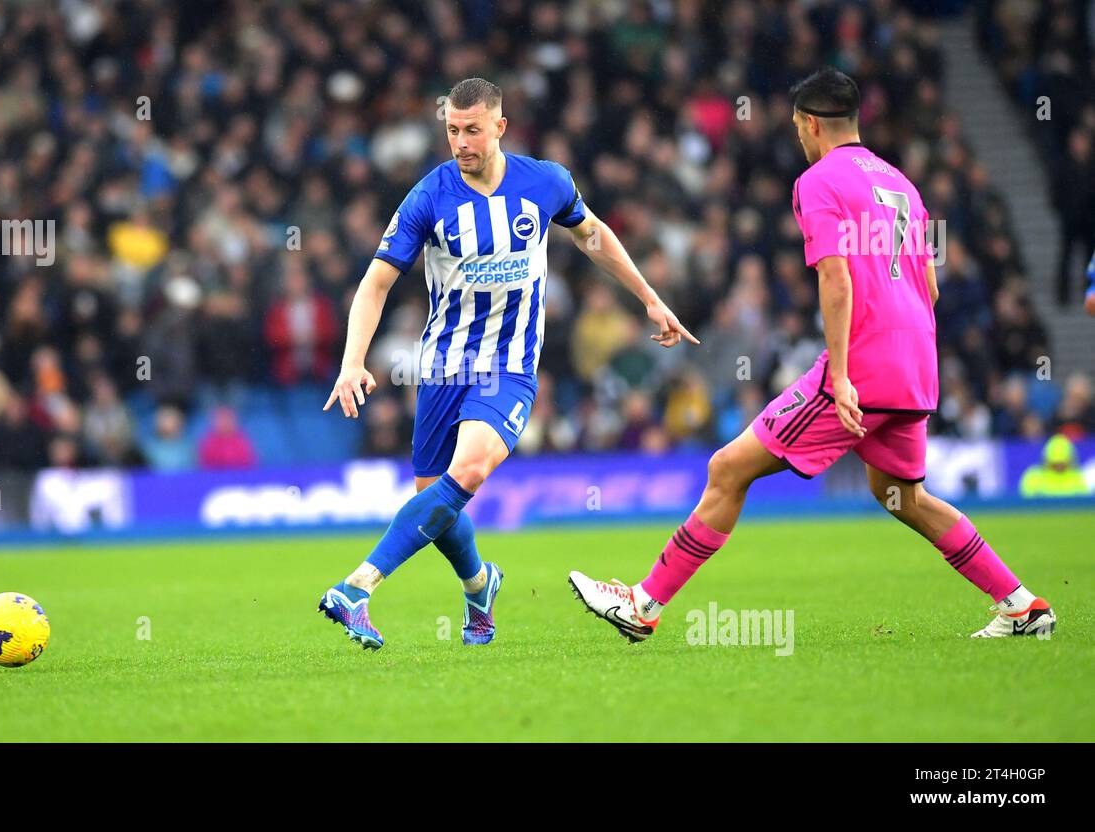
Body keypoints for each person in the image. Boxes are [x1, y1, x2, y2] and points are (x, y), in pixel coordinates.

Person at [569, 68, 1055, 641]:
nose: (798, 138)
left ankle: (643, 604)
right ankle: (1022, 604)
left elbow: (837, 279)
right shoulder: (901, 184)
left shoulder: (820, 181)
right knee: (901, 494)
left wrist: (843, 377)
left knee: (727, 469)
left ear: (811, 124)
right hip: (917, 361)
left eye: (798, 127)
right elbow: (931, 286)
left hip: (862, 364)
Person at [319, 78, 696, 649]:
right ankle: (480, 585)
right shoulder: (428, 196)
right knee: (437, 496)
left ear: (500, 126)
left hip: (511, 364)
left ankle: (357, 587)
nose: (461, 142)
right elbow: (374, 285)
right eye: (451, 130)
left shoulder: (545, 182)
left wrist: (648, 296)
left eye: (472, 130)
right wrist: (353, 362)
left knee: (465, 473)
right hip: (443, 367)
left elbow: (593, 237)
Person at [1020, 434, 1090, 498]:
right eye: (1055, 465)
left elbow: (1084, 504)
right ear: (1046, 461)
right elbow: (1025, 504)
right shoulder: (1033, 477)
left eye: (1063, 465)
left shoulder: (1079, 478)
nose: (1059, 468)